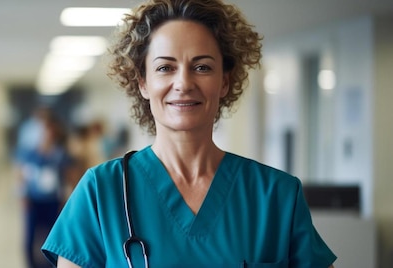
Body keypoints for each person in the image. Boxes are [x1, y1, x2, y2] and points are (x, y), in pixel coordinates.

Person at [41, 0, 337, 267]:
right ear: (143, 82)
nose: (183, 82)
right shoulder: (100, 191)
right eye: (166, 67)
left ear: (224, 81)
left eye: (202, 67)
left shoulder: (276, 196)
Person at [19, 111, 73, 268]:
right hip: (33, 200)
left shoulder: (61, 154)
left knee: (53, 238)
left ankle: (51, 265)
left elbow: (69, 177)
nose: (47, 134)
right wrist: (22, 196)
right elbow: (21, 176)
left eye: (50, 130)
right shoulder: (30, 153)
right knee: (30, 238)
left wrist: (66, 200)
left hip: (53, 201)